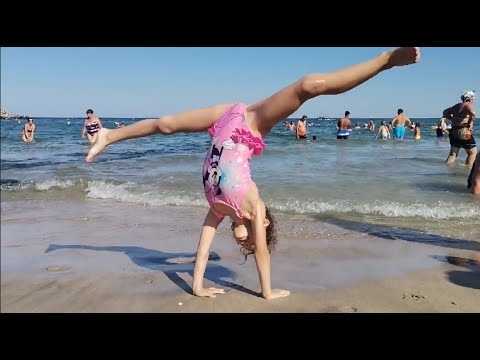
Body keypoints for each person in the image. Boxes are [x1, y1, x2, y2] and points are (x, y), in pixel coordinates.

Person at [85, 47, 420, 300]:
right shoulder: (254, 205)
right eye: (248, 241)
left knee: (167, 124)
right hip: (251, 122)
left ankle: (108, 136)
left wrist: (198, 286)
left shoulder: (218, 211)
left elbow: (201, 250)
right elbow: (262, 250)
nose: (241, 243)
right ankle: (387, 59)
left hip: (226, 120)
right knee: (307, 86)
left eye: (240, 244)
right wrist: (267, 291)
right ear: (263, 224)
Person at [444, 90, 476, 168]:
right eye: (473, 98)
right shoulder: (468, 105)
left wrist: (453, 120)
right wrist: (469, 123)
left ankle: (445, 169)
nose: (473, 100)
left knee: (453, 154)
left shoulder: (457, 106)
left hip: (454, 131)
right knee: (472, 153)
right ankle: (468, 170)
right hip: (464, 131)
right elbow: (473, 113)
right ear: (470, 98)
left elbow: (445, 112)